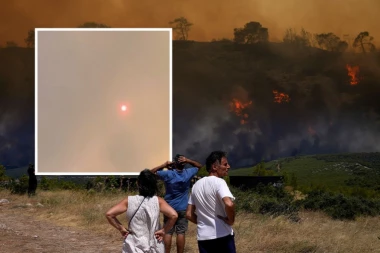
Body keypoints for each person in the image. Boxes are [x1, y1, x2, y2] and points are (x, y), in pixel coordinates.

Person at [106, 169, 178, 253]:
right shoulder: (158, 201)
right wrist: (164, 230)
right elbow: (174, 215)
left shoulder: (129, 201)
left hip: (133, 245)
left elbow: (109, 214)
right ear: (154, 185)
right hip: (154, 245)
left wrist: (121, 228)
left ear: (138, 183)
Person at [186, 151, 236, 253]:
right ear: (214, 167)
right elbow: (229, 204)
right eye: (225, 164)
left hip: (204, 238)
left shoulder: (196, 185)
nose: (228, 166)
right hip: (222, 236)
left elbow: (188, 214)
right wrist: (231, 221)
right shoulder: (220, 182)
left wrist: (203, 222)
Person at [151, 154, 202, 253]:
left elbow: (151, 172)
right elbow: (199, 166)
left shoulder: (168, 174)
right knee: (181, 232)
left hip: (169, 208)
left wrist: (164, 165)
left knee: (168, 232)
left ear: (174, 163)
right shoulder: (188, 173)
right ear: (184, 164)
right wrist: (188, 160)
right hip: (183, 208)